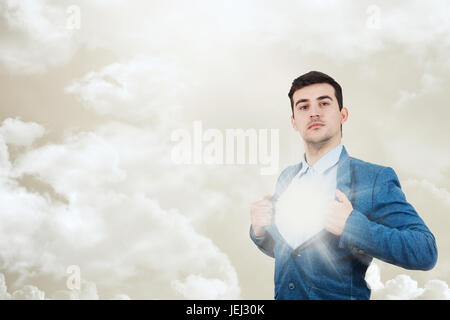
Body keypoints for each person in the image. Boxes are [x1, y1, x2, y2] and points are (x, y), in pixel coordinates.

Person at [249, 71, 438, 300]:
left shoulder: (374, 178)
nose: (314, 112)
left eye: (324, 103)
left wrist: (352, 226)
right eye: (303, 107)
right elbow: (292, 253)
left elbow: (425, 251)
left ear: (343, 114)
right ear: (294, 122)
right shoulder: (287, 177)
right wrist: (260, 232)